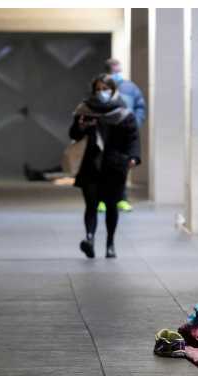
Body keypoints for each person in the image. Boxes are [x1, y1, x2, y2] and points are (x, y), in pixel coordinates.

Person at [69, 74, 141, 259]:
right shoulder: (84, 110)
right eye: (98, 89)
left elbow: (132, 137)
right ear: (93, 91)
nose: (102, 92)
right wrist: (82, 126)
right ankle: (89, 239)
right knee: (91, 204)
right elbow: (74, 134)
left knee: (111, 206)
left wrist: (133, 157)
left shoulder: (123, 112)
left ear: (113, 90)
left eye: (105, 88)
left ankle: (110, 244)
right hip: (91, 164)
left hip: (114, 165)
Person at [98, 58, 146, 213]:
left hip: (124, 134)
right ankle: (102, 200)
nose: (118, 74)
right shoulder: (101, 88)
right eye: (115, 71)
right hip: (105, 134)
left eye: (119, 71)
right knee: (103, 169)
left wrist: (135, 123)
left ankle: (121, 199)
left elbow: (140, 107)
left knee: (122, 168)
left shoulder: (130, 88)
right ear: (108, 72)